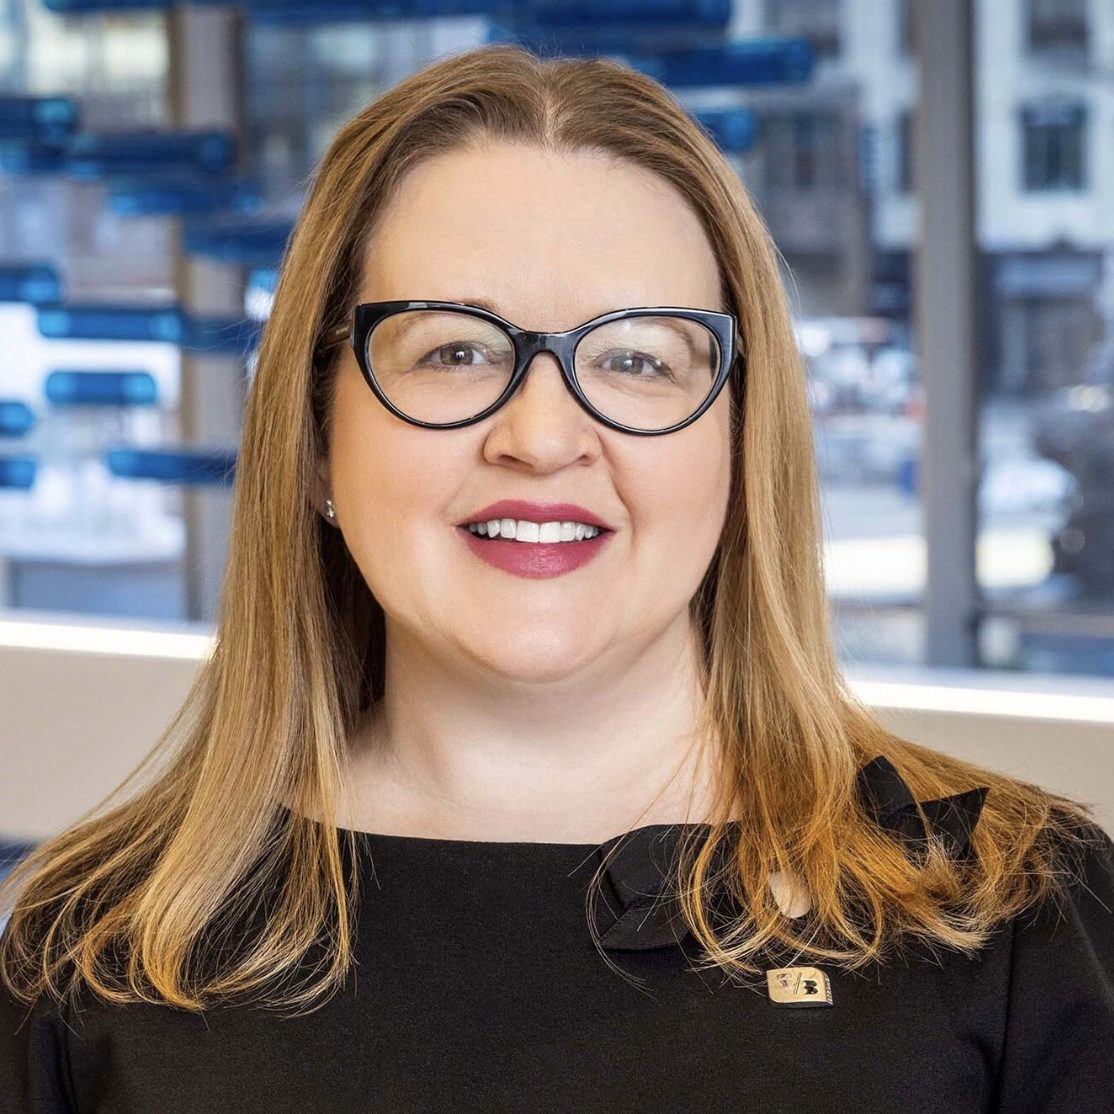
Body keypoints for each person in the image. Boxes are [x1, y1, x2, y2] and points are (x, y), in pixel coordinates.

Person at [2, 42, 1113, 1114]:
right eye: (453, 350)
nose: (541, 436)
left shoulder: (1018, 918)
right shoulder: (89, 954)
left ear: (739, 440)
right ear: (313, 443)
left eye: (635, 358)